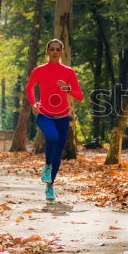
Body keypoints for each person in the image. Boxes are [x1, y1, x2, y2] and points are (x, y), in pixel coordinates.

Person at [25, 39, 84, 201]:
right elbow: (29, 87)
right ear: (47, 52)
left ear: (62, 52)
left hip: (63, 116)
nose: (55, 52)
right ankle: (47, 166)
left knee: (58, 152)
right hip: (44, 113)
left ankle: (50, 186)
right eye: (52, 49)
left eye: (58, 49)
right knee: (52, 137)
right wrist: (33, 104)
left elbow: (80, 96)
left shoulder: (68, 72)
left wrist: (67, 88)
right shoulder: (39, 70)